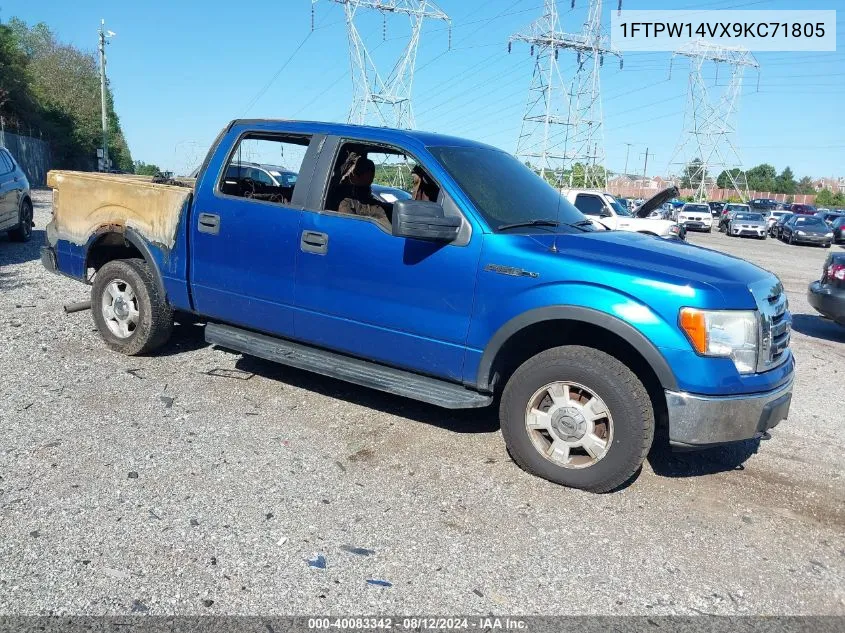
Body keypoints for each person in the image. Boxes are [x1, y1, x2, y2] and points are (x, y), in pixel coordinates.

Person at [332, 152, 391, 228]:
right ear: (354, 175)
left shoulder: (365, 195)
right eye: (369, 174)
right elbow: (347, 226)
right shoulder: (345, 199)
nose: (372, 179)